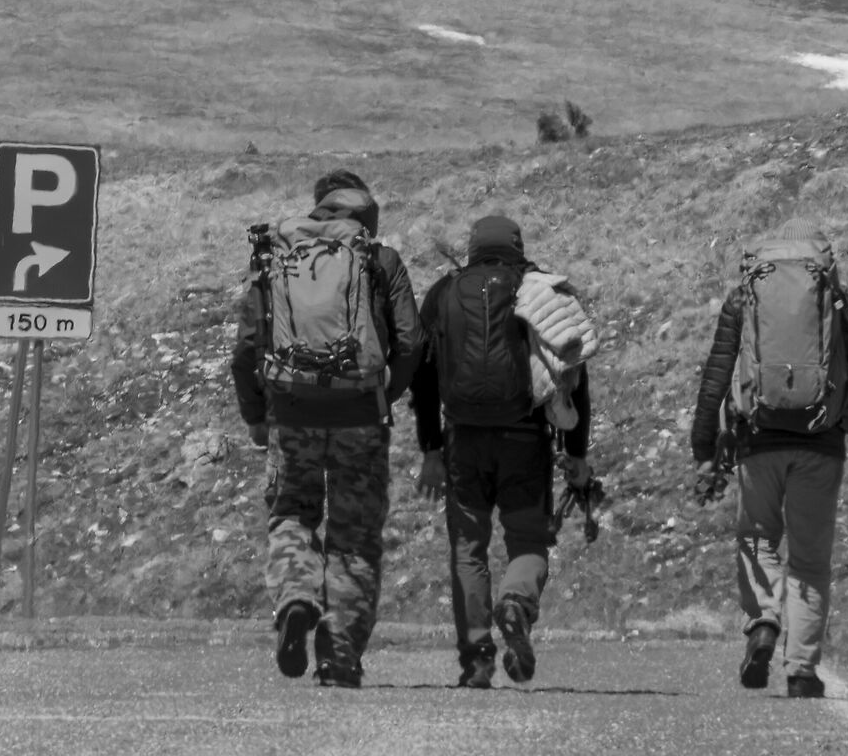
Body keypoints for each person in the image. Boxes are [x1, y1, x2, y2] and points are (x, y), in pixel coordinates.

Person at [233, 168, 421, 688]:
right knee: (355, 536)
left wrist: (256, 415)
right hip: (361, 413)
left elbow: (248, 346)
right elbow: (411, 343)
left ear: (318, 208)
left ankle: (296, 598)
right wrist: (383, 394)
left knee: (292, 512)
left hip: (291, 412)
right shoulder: (380, 261)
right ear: (367, 216)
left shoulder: (279, 257)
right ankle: (339, 654)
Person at [690, 234, 848, 699]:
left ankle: (764, 620)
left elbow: (716, 376)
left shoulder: (744, 298)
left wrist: (704, 449)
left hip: (757, 441)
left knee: (759, 537)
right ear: (823, 262)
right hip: (821, 445)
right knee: (809, 559)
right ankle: (802, 669)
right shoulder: (844, 305)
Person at [411, 213, 596, 689]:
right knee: (529, 541)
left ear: (472, 247)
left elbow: (423, 377)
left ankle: (476, 661)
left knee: (468, 550)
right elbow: (575, 374)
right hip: (525, 438)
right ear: (517, 246)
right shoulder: (538, 291)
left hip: (463, 441)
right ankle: (515, 601)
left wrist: (430, 446)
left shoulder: (443, 294)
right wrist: (576, 451)